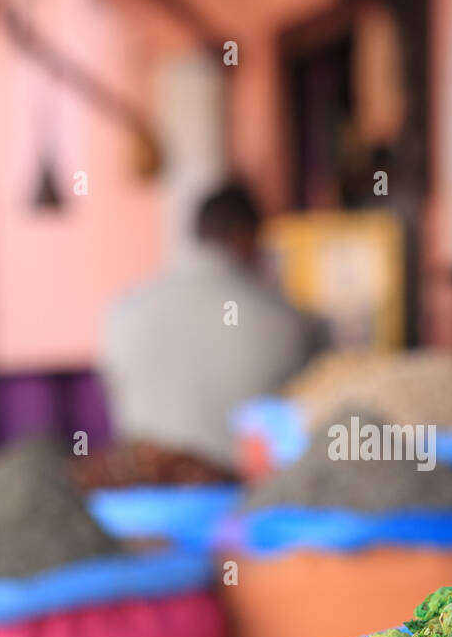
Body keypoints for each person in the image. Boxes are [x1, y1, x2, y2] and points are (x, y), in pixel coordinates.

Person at [101, 180, 324, 469]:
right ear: (245, 237)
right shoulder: (284, 321)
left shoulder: (121, 313)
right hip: (243, 502)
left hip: (141, 493)